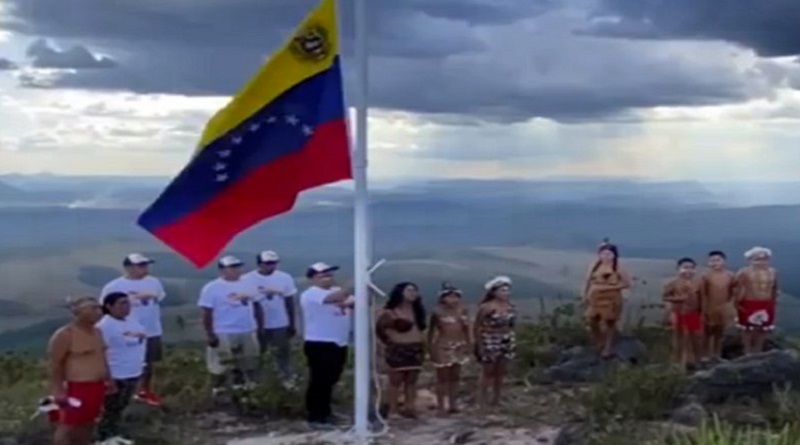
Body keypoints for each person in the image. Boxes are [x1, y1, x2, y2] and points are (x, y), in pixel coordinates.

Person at [100, 253, 166, 407]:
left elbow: (159, 297)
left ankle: (144, 390)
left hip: (151, 329)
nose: (145, 268)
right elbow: (105, 308)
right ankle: (118, 390)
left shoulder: (154, 282)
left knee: (148, 362)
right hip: (126, 329)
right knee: (122, 361)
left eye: (146, 265)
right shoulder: (114, 286)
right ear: (128, 268)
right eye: (141, 265)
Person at [47, 296, 113, 445]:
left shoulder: (98, 332)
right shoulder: (65, 335)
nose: (98, 312)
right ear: (78, 312)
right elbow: (55, 364)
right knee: (67, 426)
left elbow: (101, 356)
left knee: (88, 423)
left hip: (97, 386)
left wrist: (110, 379)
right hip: (75, 387)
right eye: (92, 308)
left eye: (99, 308)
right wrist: (58, 390)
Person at [300, 262, 354, 429]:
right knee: (319, 380)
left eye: (329, 273)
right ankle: (315, 416)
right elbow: (336, 298)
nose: (327, 277)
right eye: (322, 274)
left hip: (339, 341)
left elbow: (357, 301)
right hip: (320, 342)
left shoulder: (335, 291)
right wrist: (354, 282)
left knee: (331, 379)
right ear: (312, 278)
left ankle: (326, 412)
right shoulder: (311, 294)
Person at [199, 255, 263, 396]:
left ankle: (240, 386)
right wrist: (210, 333)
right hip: (223, 330)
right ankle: (218, 389)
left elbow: (257, 305)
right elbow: (206, 312)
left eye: (238, 267)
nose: (236, 270)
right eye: (232, 267)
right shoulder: (212, 288)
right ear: (222, 270)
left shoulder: (249, 284)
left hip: (247, 328)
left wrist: (259, 326)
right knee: (221, 363)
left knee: (246, 360)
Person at [95, 292, 147, 445]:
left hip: (133, 371)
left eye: (128, 303)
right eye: (122, 303)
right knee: (111, 407)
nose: (126, 307)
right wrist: (108, 377)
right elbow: (100, 352)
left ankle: (113, 434)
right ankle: (104, 437)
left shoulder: (131, 321)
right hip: (117, 373)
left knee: (121, 405)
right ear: (109, 306)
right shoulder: (104, 326)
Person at [244, 250, 298, 388]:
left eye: (273, 263)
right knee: (257, 353)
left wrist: (292, 323)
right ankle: (255, 381)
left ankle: (286, 379)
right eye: (267, 263)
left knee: (282, 352)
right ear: (259, 264)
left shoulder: (285, 278)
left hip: (280, 323)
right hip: (255, 324)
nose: (271, 266)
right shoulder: (247, 279)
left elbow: (289, 301)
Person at [375, 282, 426, 419]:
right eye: (409, 290)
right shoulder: (390, 312)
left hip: (415, 348)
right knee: (395, 381)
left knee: (411, 381)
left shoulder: (416, 311)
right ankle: (393, 410)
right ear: (400, 292)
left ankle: (410, 407)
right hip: (398, 348)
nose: (413, 293)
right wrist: (390, 342)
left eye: (415, 290)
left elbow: (421, 328)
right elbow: (380, 330)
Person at [582, 240, 631, 358]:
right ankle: (599, 341)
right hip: (596, 298)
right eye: (603, 253)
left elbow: (627, 283)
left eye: (609, 254)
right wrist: (585, 295)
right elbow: (587, 281)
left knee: (609, 322)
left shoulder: (618, 267)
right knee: (592, 320)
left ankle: (608, 348)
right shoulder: (595, 266)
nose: (606, 256)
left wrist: (610, 287)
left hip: (611, 298)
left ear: (614, 255)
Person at [427, 283, 470, 415]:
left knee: (455, 376)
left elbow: (467, 329)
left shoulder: (463, 311)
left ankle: (453, 404)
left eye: (456, 297)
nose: (453, 299)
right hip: (443, 345)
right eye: (449, 297)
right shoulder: (437, 312)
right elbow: (431, 331)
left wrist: (469, 344)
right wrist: (430, 348)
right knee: (442, 377)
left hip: (458, 345)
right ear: (443, 298)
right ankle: (441, 405)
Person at [474, 276, 515, 409]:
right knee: (488, 371)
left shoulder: (510, 306)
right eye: (502, 290)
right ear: (494, 292)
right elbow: (477, 326)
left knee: (501, 370)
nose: (506, 293)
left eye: (507, 290)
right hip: (489, 339)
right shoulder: (486, 307)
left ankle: (497, 398)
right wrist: (479, 344)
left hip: (506, 339)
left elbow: (512, 325)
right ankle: (483, 399)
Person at [735, 247, 780, 355]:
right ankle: (747, 351)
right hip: (749, 302)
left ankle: (758, 350)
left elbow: (775, 288)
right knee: (747, 328)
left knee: (763, 328)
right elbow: (736, 288)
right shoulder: (743, 272)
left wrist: (774, 301)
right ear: (750, 260)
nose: (761, 261)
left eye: (764, 259)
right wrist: (737, 303)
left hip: (767, 303)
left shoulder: (773, 272)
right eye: (757, 259)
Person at [663, 258, 705, 369]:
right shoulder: (673, 283)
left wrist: (703, 312)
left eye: (691, 268)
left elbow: (702, 298)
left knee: (696, 338)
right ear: (678, 269)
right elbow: (665, 296)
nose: (688, 271)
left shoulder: (699, 283)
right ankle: (677, 363)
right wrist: (679, 299)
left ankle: (696, 362)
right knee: (679, 338)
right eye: (685, 267)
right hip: (679, 313)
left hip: (693, 314)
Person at [702, 251, 737, 360]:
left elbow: (734, 292)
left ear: (724, 261)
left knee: (719, 334)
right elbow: (703, 294)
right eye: (712, 261)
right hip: (709, 307)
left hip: (724, 308)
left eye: (718, 260)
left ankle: (717, 355)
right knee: (707, 334)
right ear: (708, 262)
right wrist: (703, 309)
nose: (715, 263)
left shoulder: (731, 276)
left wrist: (731, 308)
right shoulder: (705, 276)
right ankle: (705, 355)